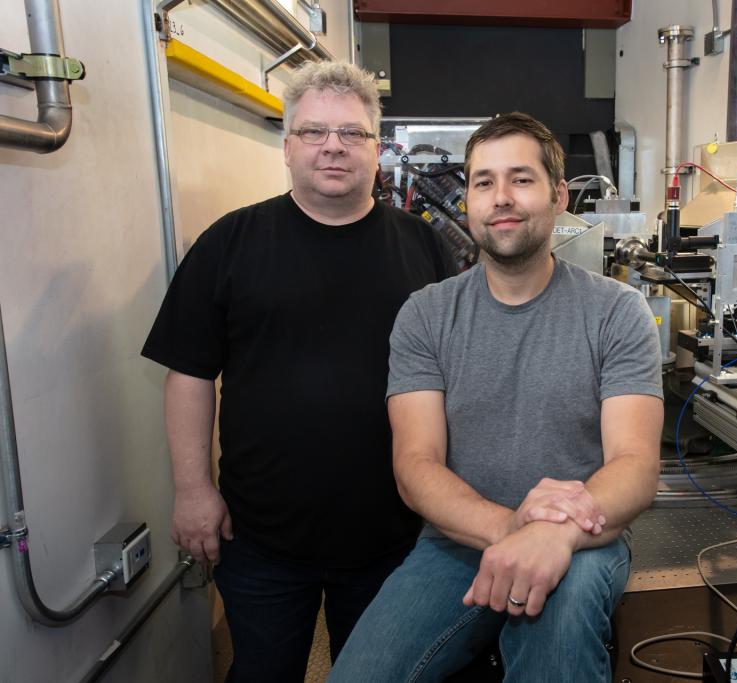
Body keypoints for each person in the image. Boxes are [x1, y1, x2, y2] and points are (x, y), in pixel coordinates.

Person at [141, 61, 454, 683]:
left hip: (391, 532)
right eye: (313, 132)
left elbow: (461, 374)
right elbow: (190, 373)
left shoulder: (424, 247)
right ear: (287, 147)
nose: (332, 145)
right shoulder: (229, 243)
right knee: (262, 672)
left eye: (352, 133)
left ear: (377, 149)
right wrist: (193, 490)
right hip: (260, 536)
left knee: (380, 673)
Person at [329, 112, 664, 682]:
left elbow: (635, 465)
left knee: (559, 639)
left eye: (522, 179)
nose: (501, 197)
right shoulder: (426, 315)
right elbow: (415, 466)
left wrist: (554, 535)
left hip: (584, 539)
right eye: (484, 182)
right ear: (469, 202)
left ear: (559, 196)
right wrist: (515, 531)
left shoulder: (615, 311)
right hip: (457, 542)